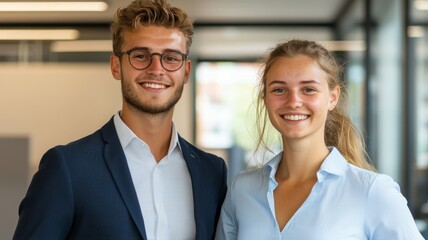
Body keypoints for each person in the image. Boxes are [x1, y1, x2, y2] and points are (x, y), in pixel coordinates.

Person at [13, 0, 227, 239]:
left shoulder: (211, 172)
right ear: (116, 66)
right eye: (140, 55)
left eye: (171, 57)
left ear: (186, 71)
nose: (156, 68)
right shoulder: (67, 168)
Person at [215, 40, 424, 239]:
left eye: (308, 89)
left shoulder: (373, 191)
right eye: (279, 89)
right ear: (266, 99)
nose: (294, 101)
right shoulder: (242, 190)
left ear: (332, 98)